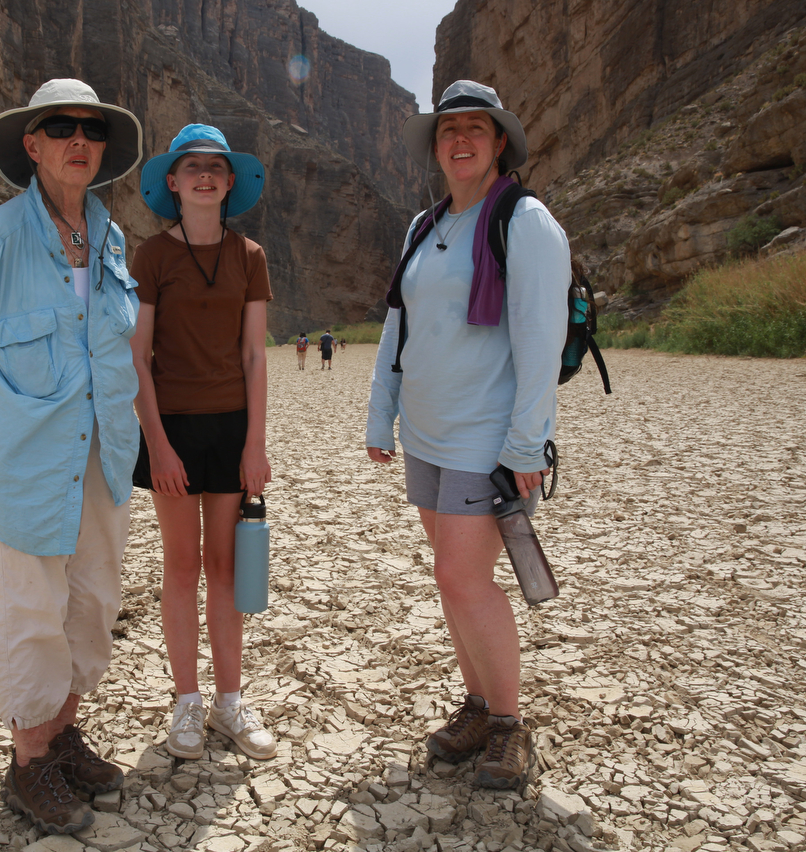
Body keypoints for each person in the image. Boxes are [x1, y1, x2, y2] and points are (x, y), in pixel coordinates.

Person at [0, 79, 143, 834]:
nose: (77, 141)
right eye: (61, 128)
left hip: (102, 457)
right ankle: (29, 765)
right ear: (32, 144)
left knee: (91, 603)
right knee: (31, 612)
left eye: (90, 129)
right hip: (25, 463)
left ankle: (62, 737)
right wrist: (12, 425)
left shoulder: (113, 238)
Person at [365, 80, 568, 791]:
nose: (460, 141)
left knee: (463, 576)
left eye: (475, 129)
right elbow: (400, 324)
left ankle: (510, 727)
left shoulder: (525, 221)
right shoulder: (423, 227)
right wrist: (378, 411)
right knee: (453, 579)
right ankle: (478, 707)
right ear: (435, 145)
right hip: (425, 433)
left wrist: (526, 444)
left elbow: (542, 341)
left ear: (499, 143)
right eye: (449, 129)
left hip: (486, 437)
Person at [131, 124, 278, 761]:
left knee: (224, 567)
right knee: (181, 567)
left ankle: (229, 704)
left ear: (229, 182)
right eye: (192, 167)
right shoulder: (153, 256)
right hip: (173, 429)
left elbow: (254, 355)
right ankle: (186, 703)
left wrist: (256, 445)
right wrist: (157, 445)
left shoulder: (250, 256)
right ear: (172, 181)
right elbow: (137, 358)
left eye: (216, 167)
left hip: (230, 430)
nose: (205, 176)